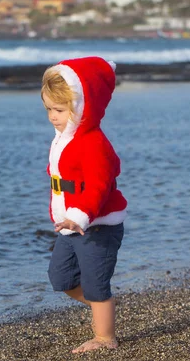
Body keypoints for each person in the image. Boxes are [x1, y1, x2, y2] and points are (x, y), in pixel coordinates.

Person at [40, 56, 127, 353]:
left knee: (96, 284)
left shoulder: (92, 142)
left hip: (97, 226)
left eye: (60, 110)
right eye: (49, 109)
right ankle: (102, 306)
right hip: (70, 225)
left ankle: (105, 336)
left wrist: (81, 214)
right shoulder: (65, 137)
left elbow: (99, 185)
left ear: (82, 107)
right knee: (61, 278)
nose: (53, 116)